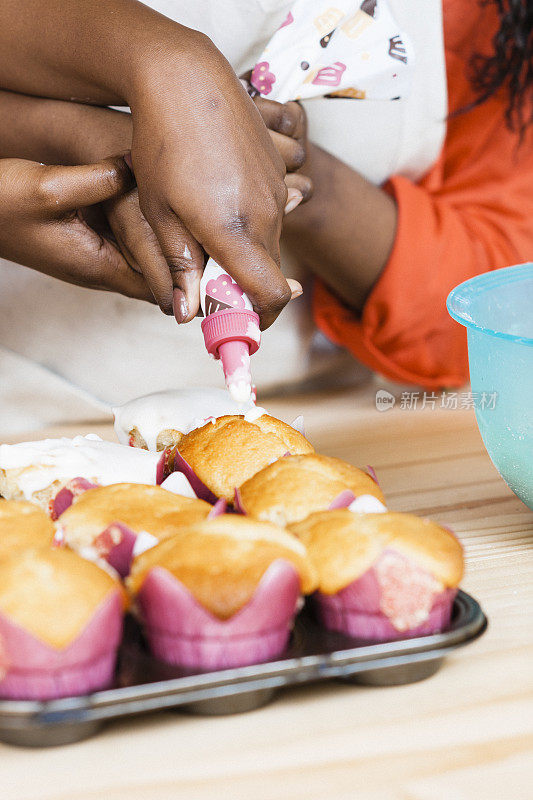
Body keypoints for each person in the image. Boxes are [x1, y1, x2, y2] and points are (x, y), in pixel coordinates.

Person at [0, 0, 531, 432]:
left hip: (326, 416)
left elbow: (495, 304)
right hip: (22, 416)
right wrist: (163, 61)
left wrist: (281, 164)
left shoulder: (490, 19)